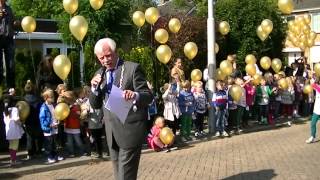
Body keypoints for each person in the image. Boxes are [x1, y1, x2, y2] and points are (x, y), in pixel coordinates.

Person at [89, 38, 153, 180]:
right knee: (120, 175)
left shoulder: (132, 68)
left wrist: (134, 95)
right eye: (101, 58)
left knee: (125, 175)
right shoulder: (100, 73)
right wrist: (94, 89)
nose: (105, 60)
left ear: (116, 52)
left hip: (130, 130)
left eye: (108, 55)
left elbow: (148, 96)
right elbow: (95, 104)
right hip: (112, 132)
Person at [39, 88, 64, 164]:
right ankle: (50, 157)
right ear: (46, 98)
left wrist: (58, 119)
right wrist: (49, 125)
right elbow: (42, 119)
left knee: (55, 143)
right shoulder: (43, 107)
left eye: (53, 96)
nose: (53, 98)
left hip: (55, 127)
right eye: (51, 97)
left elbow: (56, 114)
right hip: (48, 129)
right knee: (49, 144)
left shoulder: (53, 105)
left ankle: (56, 155)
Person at [63, 91, 86, 157]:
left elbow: (78, 115)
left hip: (75, 126)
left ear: (70, 98)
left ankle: (83, 151)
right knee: (69, 142)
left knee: (78, 141)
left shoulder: (76, 105)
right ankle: (71, 153)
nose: (65, 99)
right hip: (68, 126)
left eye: (66, 98)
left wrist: (71, 111)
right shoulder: (65, 105)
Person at [2, 94, 24, 166]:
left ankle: (12, 159)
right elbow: (16, 119)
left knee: (11, 145)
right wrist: (21, 124)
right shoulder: (14, 109)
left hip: (8, 130)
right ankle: (13, 160)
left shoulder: (5, 110)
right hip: (14, 129)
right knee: (15, 145)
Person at [23, 80, 43, 160]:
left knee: (29, 138)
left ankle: (30, 153)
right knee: (38, 137)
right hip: (37, 120)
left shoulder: (23, 100)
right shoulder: (38, 99)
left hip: (28, 121)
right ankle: (39, 152)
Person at [0, 0, 16, 88]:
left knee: (11, 64)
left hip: (9, 37)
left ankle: (11, 88)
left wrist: (15, 23)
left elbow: (12, 21)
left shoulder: (9, 9)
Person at [306, 78, 320, 143]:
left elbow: (316, 87)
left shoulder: (317, 87)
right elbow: (310, 85)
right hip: (317, 110)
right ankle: (312, 137)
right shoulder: (317, 86)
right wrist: (309, 80)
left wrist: (313, 84)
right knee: (313, 123)